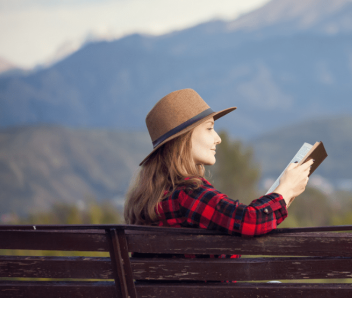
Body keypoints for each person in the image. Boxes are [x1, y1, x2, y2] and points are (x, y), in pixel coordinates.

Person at [124, 88, 312, 262]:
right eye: (209, 128)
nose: (218, 138)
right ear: (184, 138)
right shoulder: (188, 194)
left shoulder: (153, 198)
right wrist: (285, 190)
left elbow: (241, 224)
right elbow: (250, 221)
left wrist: (280, 198)